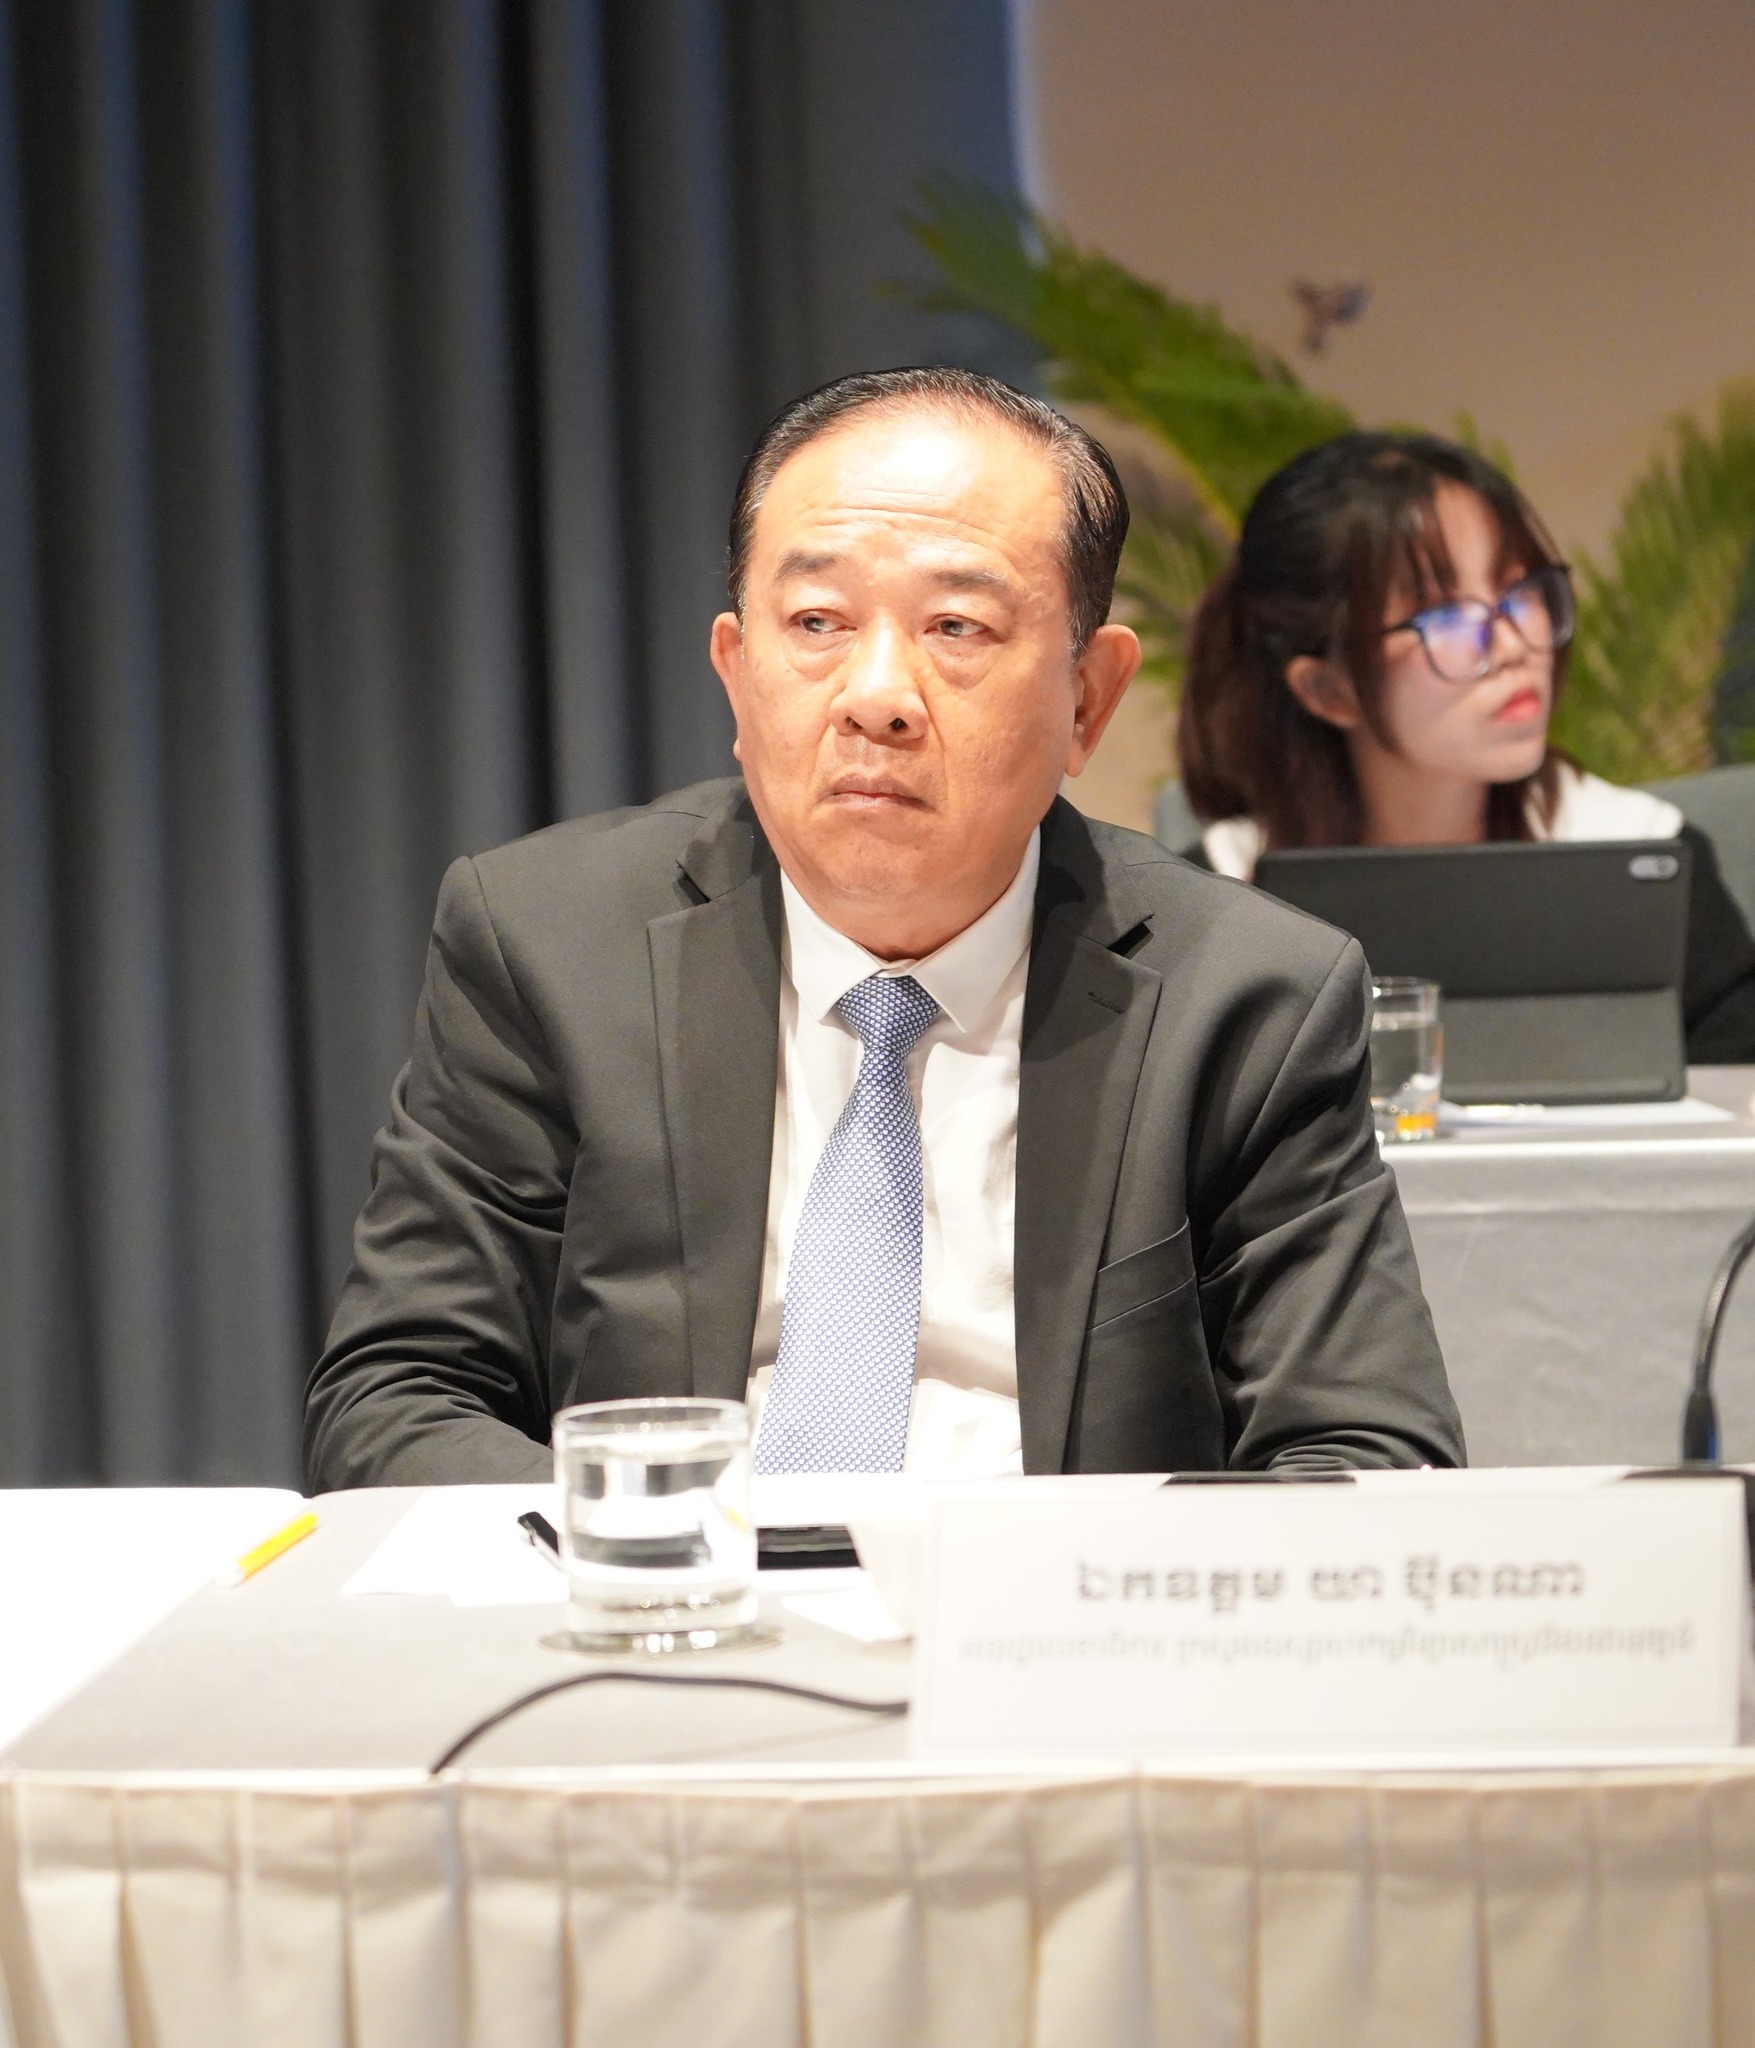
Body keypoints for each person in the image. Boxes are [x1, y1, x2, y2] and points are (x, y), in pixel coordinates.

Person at [305, 369, 1463, 1489]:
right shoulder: (548, 944)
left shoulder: (1247, 997)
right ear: (736, 672)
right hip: (676, 1592)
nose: (876, 695)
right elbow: (397, 1399)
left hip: (1047, 1608)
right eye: (816, 620)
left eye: (957, 626)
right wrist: (678, 1543)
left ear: (1087, 697)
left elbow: (1367, 1450)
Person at [1177, 431, 1755, 1061]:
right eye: (1445, 617)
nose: (1513, 645)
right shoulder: (1219, 900)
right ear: (1330, 689)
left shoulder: (1641, 856)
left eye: (1521, 592)